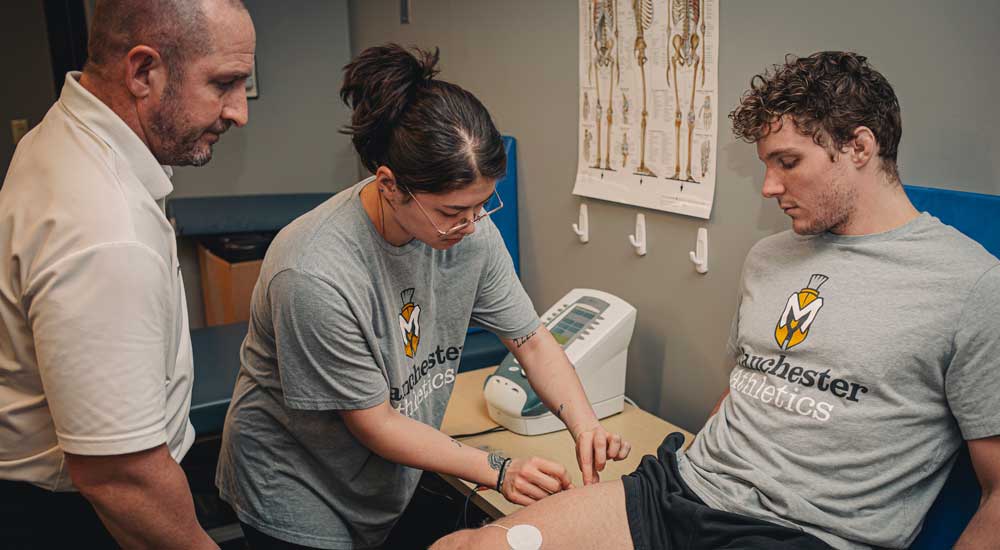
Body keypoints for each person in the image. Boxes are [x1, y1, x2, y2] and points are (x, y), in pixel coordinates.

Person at [432, 51, 1000, 550]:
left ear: (859, 146)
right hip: (681, 490)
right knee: (468, 545)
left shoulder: (969, 286)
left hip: (801, 534)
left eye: (788, 161)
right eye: (766, 165)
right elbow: (745, 387)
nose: (769, 187)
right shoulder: (770, 257)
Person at [214, 43, 632, 549]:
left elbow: (533, 341)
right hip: (294, 479)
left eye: (482, 204)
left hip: (383, 474)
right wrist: (498, 470)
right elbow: (376, 424)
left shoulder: (470, 231)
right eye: (454, 210)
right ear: (388, 184)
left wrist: (584, 424)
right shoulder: (314, 273)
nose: (473, 224)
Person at [0, 0, 255, 548]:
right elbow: (120, 477)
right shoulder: (105, 228)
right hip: (71, 516)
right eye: (224, 83)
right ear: (142, 72)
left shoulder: (66, 134)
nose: (239, 112)